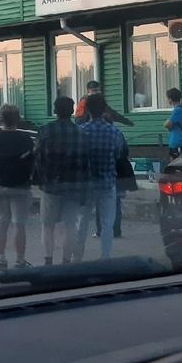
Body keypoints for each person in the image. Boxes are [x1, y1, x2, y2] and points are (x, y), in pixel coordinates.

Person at [32, 96, 88, 265]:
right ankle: (66, 262)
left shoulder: (45, 130)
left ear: (55, 111)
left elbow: (37, 156)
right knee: (70, 226)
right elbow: (86, 162)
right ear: (72, 111)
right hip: (74, 185)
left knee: (47, 225)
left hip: (51, 186)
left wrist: (42, 178)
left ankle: (48, 260)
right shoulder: (81, 132)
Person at [78, 93, 128, 260]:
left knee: (82, 221)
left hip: (87, 183)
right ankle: (105, 257)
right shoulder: (114, 131)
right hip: (108, 182)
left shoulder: (81, 131)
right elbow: (119, 153)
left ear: (87, 110)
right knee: (108, 223)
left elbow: (76, 155)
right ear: (104, 109)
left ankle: (76, 257)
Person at [0, 104, 35, 270]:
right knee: (19, 224)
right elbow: (31, 162)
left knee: (1, 223)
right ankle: (20, 260)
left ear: (1, 119)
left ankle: (1, 259)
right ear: (18, 119)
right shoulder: (25, 140)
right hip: (20, 186)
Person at [164, 87, 182, 160]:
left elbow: (167, 124)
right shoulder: (181, 109)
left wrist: (167, 125)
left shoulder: (178, 110)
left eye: (168, 98)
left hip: (178, 143)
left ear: (171, 99)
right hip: (180, 143)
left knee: (176, 167)